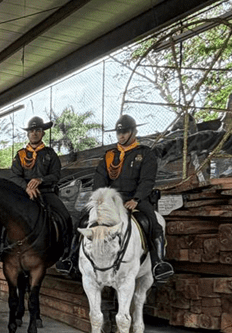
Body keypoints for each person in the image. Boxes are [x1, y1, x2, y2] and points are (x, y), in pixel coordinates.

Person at [58, 114, 174, 281]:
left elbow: (147, 180)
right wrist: (101, 199)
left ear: (134, 132)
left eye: (125, 132)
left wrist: (137, 199)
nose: (121, 136)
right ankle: (71, 259)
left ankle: (158, 263)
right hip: (110, 200)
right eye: (119, 132)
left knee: (153, 224)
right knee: (82, 221)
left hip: (135, 199)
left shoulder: (145, 154)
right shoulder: (109, 155)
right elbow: (100, 179)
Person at [10, 115, 73, 263]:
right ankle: (1, 252)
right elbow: (14, 176)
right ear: (28, 134)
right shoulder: (20, 155)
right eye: (31, 131)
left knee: (65, 216)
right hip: (24, 194)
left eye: (37, 130)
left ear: (42, 133)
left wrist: (41, 180)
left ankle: (67, 253)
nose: (34, 133)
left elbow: (56, 175)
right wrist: (26, 187)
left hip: (46, 193)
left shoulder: (50, 154)